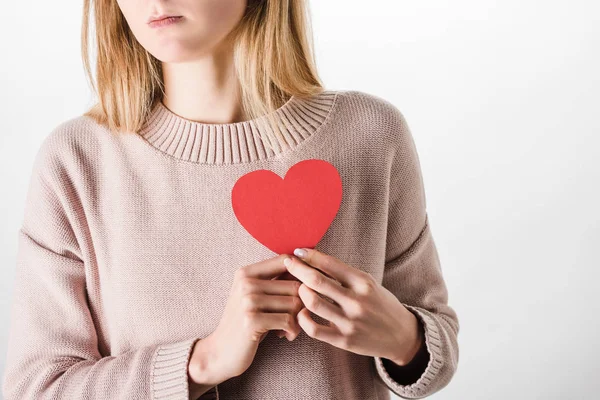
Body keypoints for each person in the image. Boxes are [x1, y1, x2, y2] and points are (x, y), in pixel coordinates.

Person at [1, 0, 459, 399]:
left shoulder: (371, 135)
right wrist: (204, 361)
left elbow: (438, 347)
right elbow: (36, 389)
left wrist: (403, 337)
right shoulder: (77, 162)